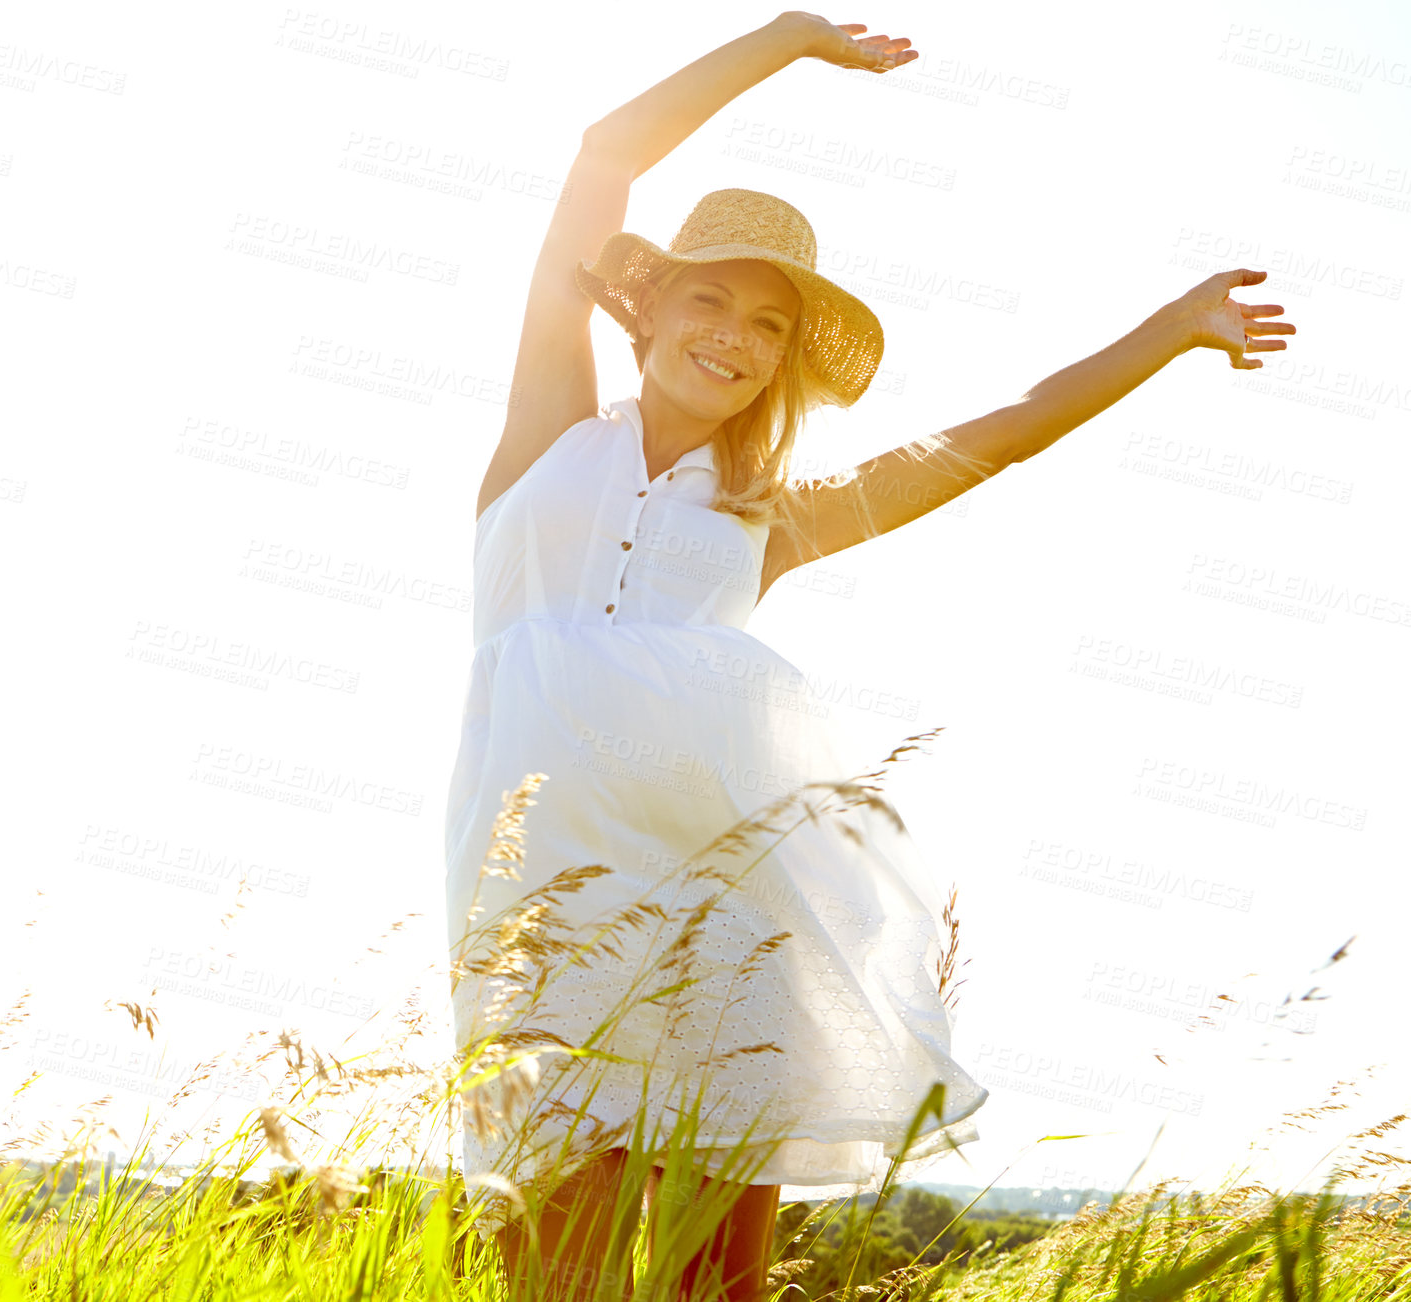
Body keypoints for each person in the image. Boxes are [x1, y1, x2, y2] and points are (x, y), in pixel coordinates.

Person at [442, 13, 1294, 1301]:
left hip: (733, 906)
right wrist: (787, 38)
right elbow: (603, 152)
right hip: (539, 890)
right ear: (649, 308)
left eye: (770, 326)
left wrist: (1168, 331)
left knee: (706, 1278)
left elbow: (993, 437)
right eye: (710, 299)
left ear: (787, 361)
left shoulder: (768, 515)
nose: (733, 335)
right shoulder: (547, 430)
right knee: (550, 1257)